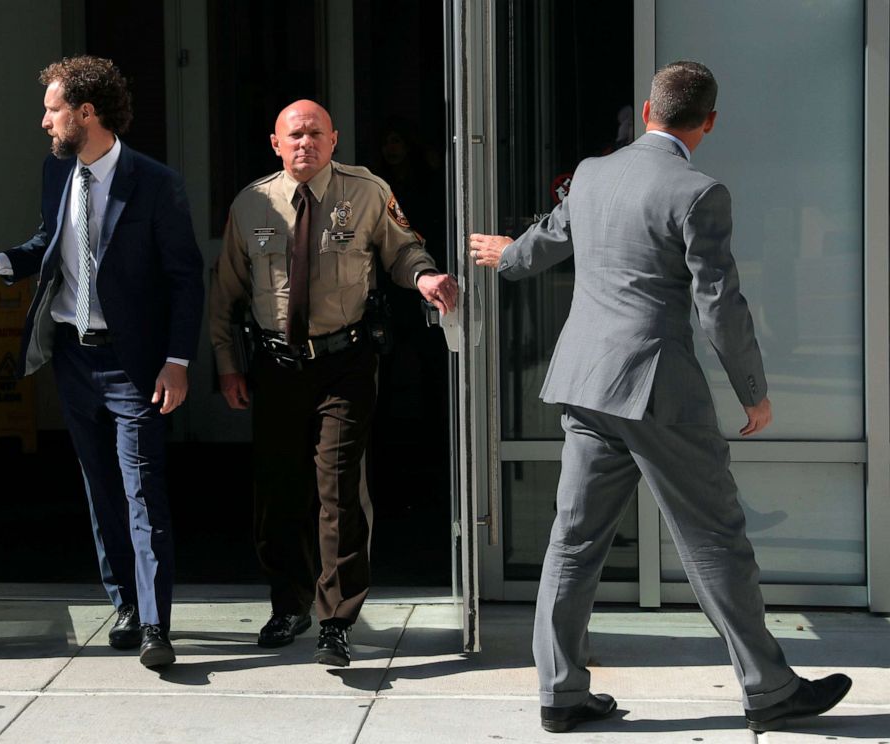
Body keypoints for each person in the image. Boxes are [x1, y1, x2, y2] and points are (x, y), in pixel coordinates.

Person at [469, 61, 851, 734]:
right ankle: (769, 689)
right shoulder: (699, 192)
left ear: (648, 110)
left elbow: (551, 239)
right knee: (715, 541)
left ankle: (560, 694)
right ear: (708, 122)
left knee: (573, 544)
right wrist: (753, 391)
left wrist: (507, 256)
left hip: (585, 384)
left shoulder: (591, 173)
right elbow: (719, 306)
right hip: (654, 391)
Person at [0, 56, 203, 669]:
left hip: (133, 364)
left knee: (142, 490)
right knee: (101, 490)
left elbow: (185, 277)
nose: (44, 122)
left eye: (52, 109)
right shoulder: (56, 171)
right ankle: (123, 604)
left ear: (86, 113)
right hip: (71, 357)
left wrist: (177, 361)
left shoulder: (154, 182)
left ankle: (154, 626)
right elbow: (49, 245)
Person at [210, 99, 457, 667]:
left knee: (339, 488)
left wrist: (424, 276)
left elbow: (404, 249)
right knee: (277, 492)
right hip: (274, 366)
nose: (306, 143)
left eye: (316, 134)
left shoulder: (367, 191)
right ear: (275, 143)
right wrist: (227, 364)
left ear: (334, 139)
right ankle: (289, 601)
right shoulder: (252, 204)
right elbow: (225, 292)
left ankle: (336, 619)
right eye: (294, 135)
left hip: (344, 361)